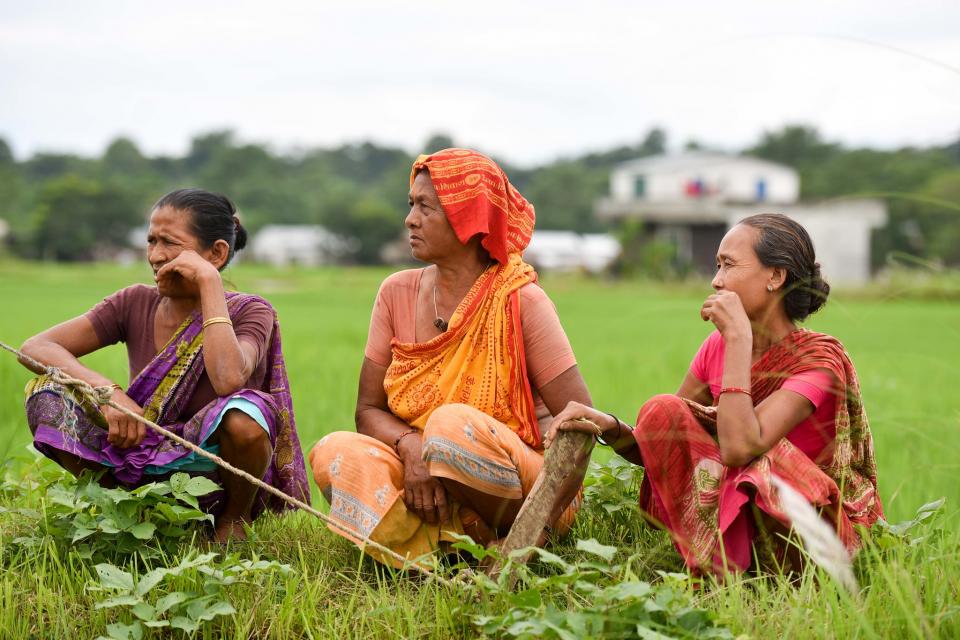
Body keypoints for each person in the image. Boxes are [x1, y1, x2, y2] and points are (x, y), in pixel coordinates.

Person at [548, 213, 882, 575]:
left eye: (728, 266)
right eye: (717, 266)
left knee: (762, 465)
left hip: (812, 535)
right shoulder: (716, 347)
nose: (716, 281)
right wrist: (611, 428)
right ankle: (722, 567)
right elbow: (668, 445)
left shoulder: (818, 363)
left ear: (775, 276)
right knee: (663, 409)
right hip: (748, 532)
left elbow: (741, 448)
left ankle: (745, 570)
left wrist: (739, 338)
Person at [308, 148, 593, 567]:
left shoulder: (521, 300)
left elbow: (580, 423)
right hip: (424, 475)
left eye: (426, 207)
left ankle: (515, 541)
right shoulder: (395, 293)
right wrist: (412, 448)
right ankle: (439, 552)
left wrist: (541, 516)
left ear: (470, 218)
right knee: (337, 452)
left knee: (450, 426)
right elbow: (368, 410)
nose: (410, 219)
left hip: (528, 491)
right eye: (411, 205)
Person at [19, 188, 310, 542]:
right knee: (45, 393)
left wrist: (209, 284)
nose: (155, 256)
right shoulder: (133, 302)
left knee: (246, 414)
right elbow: (36, 347)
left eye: (169, 243)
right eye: (150, 241)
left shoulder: (251, 311)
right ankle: (126, 511)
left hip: (212, 469)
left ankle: (233, 521)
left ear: (215, 253)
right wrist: (109, 395)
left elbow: (228, 380)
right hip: (135, 447)